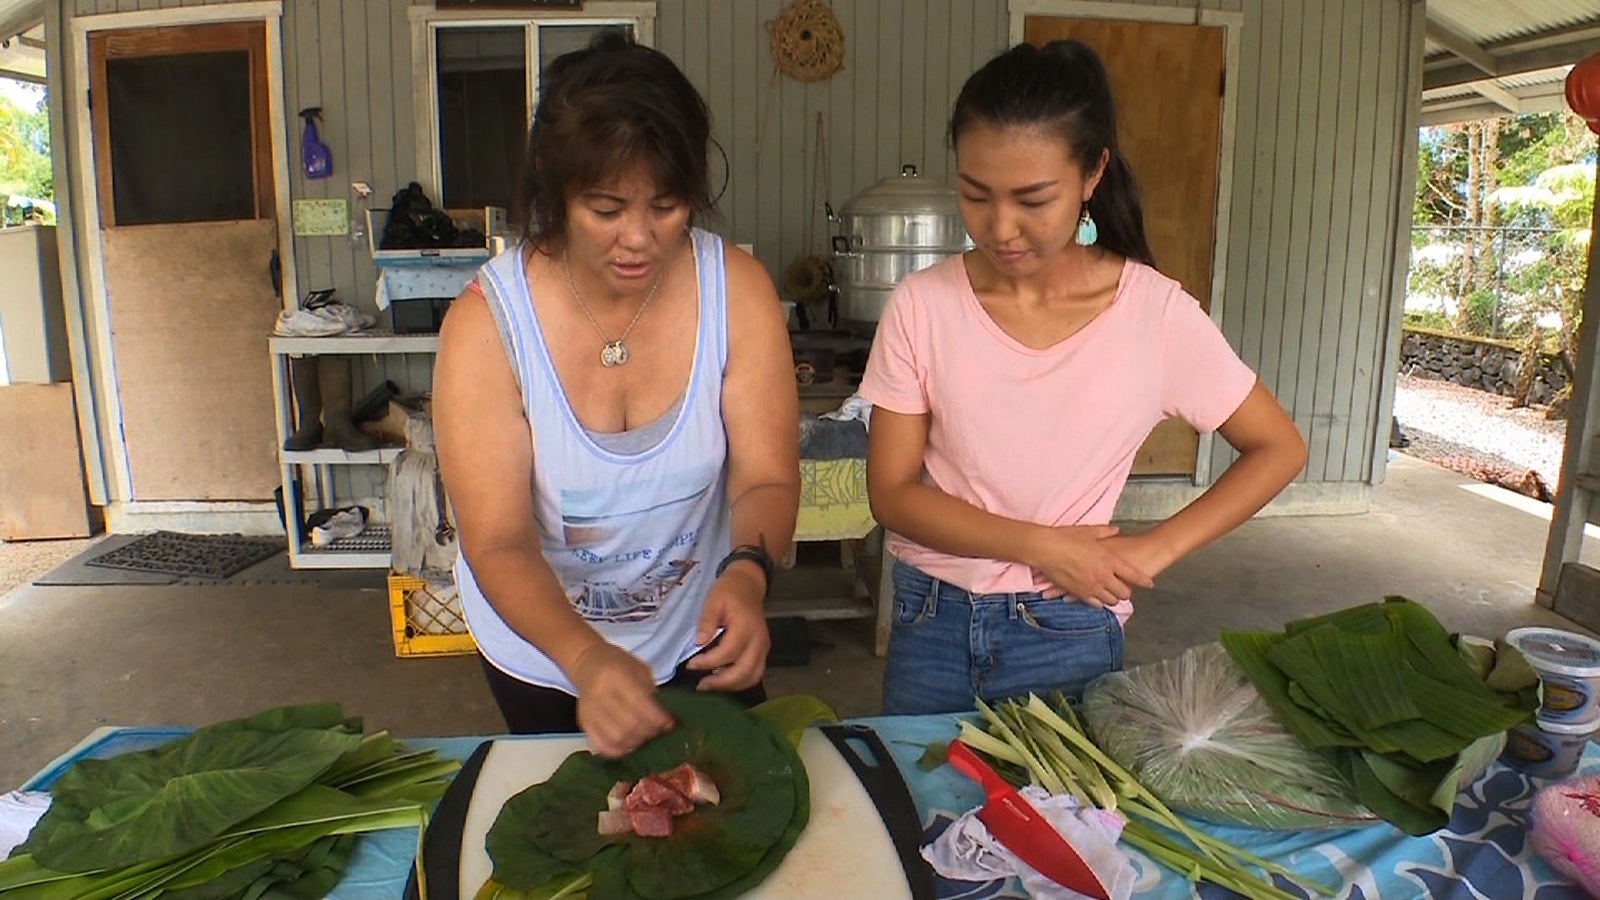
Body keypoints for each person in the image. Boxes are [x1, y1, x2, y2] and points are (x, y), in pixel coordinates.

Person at [859, 40, 1308, 715]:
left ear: (1093, 174)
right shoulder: (923, 303)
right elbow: (891, 494)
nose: (1001, 228)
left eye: (1033, 199)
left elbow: (1280, 447)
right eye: (976, 195)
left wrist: (1153, 550)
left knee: (1061, 821)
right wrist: (1041, 545)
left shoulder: (1154, 315)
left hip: (1067, 630)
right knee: (918, 816)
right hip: (932, 624)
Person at [433, 30, 799, 757]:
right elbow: (498, 540)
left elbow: (766, 475)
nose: (640, 238)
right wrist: (587, 659)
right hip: (544, 650)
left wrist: (750, 573)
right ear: (555, 196)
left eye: (666, 206)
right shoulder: (487, 325)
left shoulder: (738, 292)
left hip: (701, 630)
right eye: (606, 209)